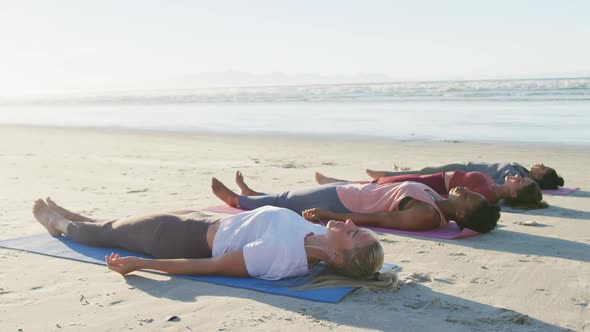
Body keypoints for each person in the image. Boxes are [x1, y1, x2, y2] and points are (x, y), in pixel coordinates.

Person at [32, 197, 397, 289]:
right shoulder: (312, 240)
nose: (349, 221)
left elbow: (207, 267)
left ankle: (59, 223)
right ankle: (73, 216)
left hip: (175, 236)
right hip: (199, 222)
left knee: (104, 233)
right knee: (111, 225)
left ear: (336, 255)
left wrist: (142, 265)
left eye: (351, 232)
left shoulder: (279, 255)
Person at [212, 172, 500, 234]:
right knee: (288, 196)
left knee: (286, 200)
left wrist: (328, 213)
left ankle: (237, 199)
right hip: (352, 189)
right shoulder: (438, 200)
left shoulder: (426, 214)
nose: (465, 189)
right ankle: (253, 192)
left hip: (340, 200)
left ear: (462, 212)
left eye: (470, 195)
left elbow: (378, 220)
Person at [315, 169, 547, 210]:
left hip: (430, 185)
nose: (517, 177)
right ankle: (337, 182)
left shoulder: (485, 197)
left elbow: (449, 198)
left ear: (515, 193)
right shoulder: (492, 186)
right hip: (431, 177)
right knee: (379, 183)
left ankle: (334, 182)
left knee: (378, 186)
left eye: (521, 182)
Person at [365, 162, 564, 190]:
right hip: (465, 168)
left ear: (539, 177)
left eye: (543, 169)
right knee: (425, 171)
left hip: (464, 172)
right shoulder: (520, 170)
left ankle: (386, 175)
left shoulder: (514, 174)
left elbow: (498, 184)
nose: (541, 165)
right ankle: (389, 174)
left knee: (425, 173)